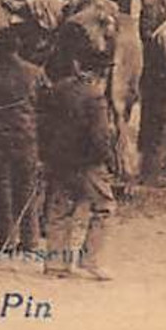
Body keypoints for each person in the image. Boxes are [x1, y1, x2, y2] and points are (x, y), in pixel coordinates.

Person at [38, 46, 117, 280]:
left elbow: (42, 123)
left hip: (59, 160)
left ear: (77, 66)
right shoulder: (95, 97)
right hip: (87, 163)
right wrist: (109, 160)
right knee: (105, 208)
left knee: (60, 210)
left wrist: (46, 154)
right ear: (101, 72)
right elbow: (100, 136)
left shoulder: (58, 89)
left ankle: (55, 264)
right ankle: (90, 259)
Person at [0, 30, 49, 253]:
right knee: (26, 190)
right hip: (26, 140)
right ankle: (30, 242)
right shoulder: (34, 73)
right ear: (17, 47)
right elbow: (45, 107)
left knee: (0, 191)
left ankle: (4, 241)